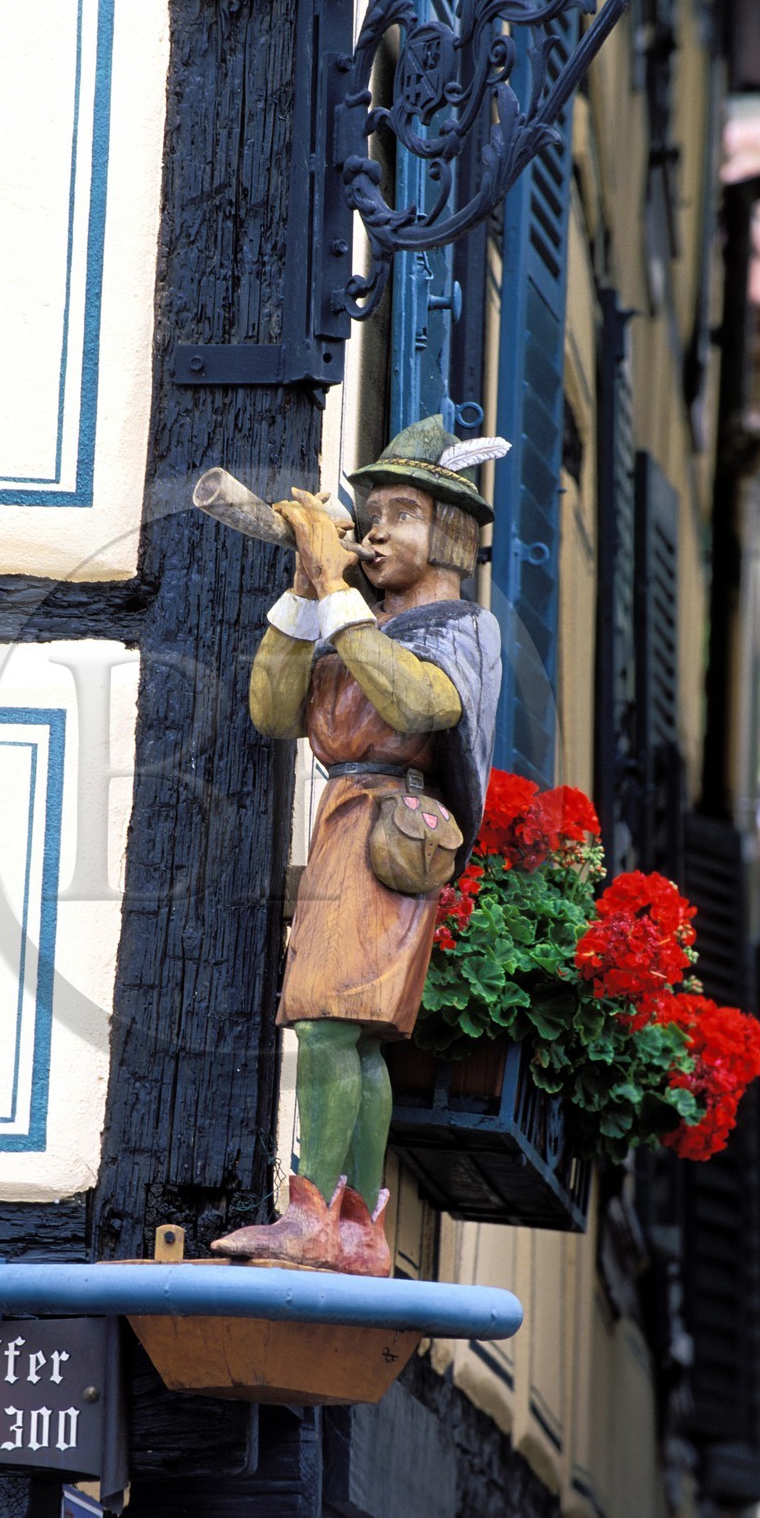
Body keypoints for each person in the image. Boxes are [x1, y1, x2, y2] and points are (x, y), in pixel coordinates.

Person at [212, 416, 503, 1275]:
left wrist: (340, 599)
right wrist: (309, 590)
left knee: (336, 1028)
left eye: (399, 513)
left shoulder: (458, 626)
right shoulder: (356, 624)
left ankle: (311, 1216)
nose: (374, 532)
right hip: (349, 818)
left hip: (390, 828)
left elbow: (419, 705)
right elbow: (274, 710)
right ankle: (353, 1229)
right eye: (367, 514)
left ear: (447, 529)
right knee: (355, 1035)